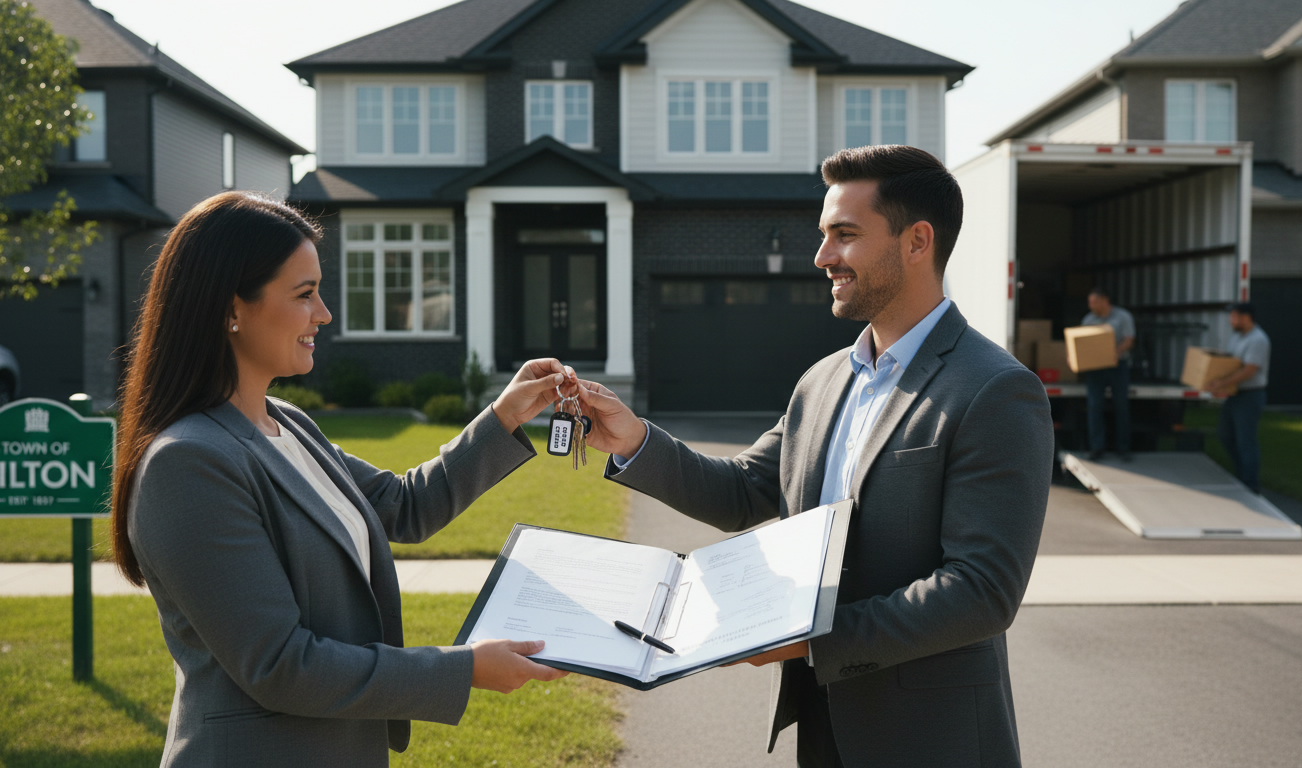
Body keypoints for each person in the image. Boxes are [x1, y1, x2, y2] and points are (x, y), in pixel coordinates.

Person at [576, 146, 1054, 767]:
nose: (823, 257)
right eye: (824, 235)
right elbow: (742, 491)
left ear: (917, 241)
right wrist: (633, 438)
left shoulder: (995, 389)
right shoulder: (825, 380)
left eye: (844, 235)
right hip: (824, 725)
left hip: (933, 738)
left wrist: (807, 640)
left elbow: (982, 591)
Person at [110, 192, 570, 767]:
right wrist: (465, 668)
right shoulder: (189, 463)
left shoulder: (289, 425)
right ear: (232, 307)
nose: (324, 314)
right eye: (305, 295)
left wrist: (505, 415)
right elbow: (280, 665)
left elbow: (404, 506)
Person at [1207, 302, 1271, 493]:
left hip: (1250, 396)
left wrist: (1223, 383)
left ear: (1246, 317)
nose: (1230, 320)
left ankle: (1250, 484)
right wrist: (1220, 384)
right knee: (1225, 434)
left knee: (1246, 440)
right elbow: (1232, 364)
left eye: (1234, 317)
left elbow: (1249, 370)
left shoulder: (1258, 340)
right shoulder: (1237, 337)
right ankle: (1242, 473)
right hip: (1236, 394)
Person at [1081, 287, 1136, 461]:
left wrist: (1115, 353)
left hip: (1118, 366)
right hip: (1095, 368)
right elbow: (1081, 342)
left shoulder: (1123, 317)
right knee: (1095, 407)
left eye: (1094, 302)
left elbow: (1129, 340)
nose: (1091, 306)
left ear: (1105, 301)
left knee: (1121, 406)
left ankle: (1123, 448)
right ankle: (1097, 448)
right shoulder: (1089, 320)